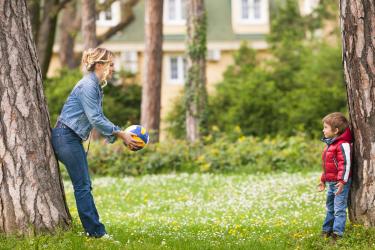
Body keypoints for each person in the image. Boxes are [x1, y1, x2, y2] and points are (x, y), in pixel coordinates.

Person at [51, 47, 140, 238]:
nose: (114, 68)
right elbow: (96, 119)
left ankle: (94, 231)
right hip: (65, 137)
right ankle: (96, 233)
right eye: (111, 64)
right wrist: (120, 133)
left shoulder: (95, 86)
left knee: (83, 185)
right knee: (83, 186)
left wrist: (119, 135)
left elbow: (97, 117)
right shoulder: (88, 86)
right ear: (100, 65)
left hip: (69, 137)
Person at [318, 112, 352, 240]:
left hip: (340, 184)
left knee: (339, 209)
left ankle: (337, 234)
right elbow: (328, 166)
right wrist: (323, 180)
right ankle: (326, 230)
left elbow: (346, 164)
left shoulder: (343, 145)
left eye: (326, 127)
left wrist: (342, 181)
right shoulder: (330, 145)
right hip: (331, 182)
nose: (323, 130)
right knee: (330, 207)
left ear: (336, 130)